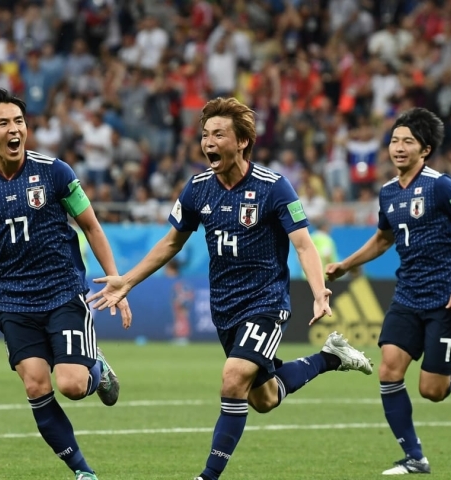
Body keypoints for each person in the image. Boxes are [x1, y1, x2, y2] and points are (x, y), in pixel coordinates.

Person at [87, 97, 373, 480]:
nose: (208, 142)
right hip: (225, 308)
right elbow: (172, 242)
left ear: (242, 141)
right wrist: (128, 280)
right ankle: (331, 357)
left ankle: (208, 476)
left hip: (266, 302)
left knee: (233, 377)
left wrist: (320, 291)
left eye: (218, 134)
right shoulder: (198, 188)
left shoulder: (274, 187)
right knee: (264, 398)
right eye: (205, 135)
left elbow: (304, 244)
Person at [0, 88, 132, 480]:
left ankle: (98, 368)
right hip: (14, 299)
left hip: (63, 290)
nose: (15, 129)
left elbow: (90, 225)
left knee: (73, 385)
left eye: (19, 122)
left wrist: (115, 278)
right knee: (36, 386)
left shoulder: (55, 171)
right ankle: (83, 472)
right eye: (4, 123)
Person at [325, 108, 451, 475]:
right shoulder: (387, 193)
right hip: (407, 295)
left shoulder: (441, 185)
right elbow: (383, 239)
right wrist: (345, 265)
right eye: (395, 140)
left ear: (426, 150)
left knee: (433, 391)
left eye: (409, 142)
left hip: (446, 298)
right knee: (388, 370)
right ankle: (415, 458)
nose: (399, 148)